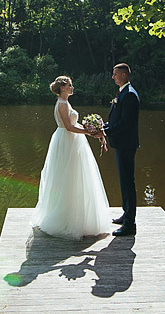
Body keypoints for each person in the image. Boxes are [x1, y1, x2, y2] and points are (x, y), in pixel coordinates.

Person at [31, 76, 112, 239]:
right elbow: (68, 126)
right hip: (67, 141)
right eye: (69, 85)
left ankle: (78, 216)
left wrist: (92, 130)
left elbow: (74, 124)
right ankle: (66, 218)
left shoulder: (65, 102)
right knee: (67, 178)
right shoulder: (61, 104)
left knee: (76, 177)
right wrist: (89, 132)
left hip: (72, 140)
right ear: (62, 88)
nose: (72, 87)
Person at [103, 63, 139, 236]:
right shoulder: (123, 92)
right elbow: (117, 118)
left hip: (126, 144)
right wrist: (104, 126)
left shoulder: (130, 95)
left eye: (115, 74)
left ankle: (130, 224)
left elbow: (126, 123)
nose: (113, 77)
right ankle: (126, 214)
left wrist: (105, 131)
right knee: (124, 182)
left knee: (128, 183)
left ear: (124, 75)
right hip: (121, 143)